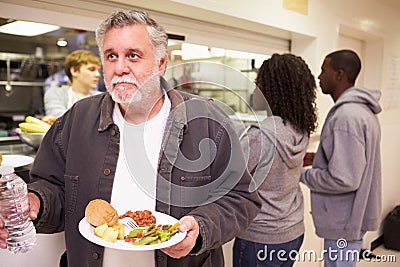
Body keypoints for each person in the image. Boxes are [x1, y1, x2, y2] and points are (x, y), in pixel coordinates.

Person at [0, 9, 260, 267]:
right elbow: (52, 188)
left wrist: (201, 228)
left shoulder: (206, 121)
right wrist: (35, 202)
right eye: (111, 56)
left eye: (133, 55)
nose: (120, 68)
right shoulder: (77, 119)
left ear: (161, 63)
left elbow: (240, 198)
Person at [233, 54, 318, 267]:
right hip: (293, 231)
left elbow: (230, 179)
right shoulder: (300, 129)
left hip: (260, 237)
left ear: (273, 90)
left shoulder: (260, 135)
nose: (254, 90)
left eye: (259, 83)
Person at [301, 49, 382, 267]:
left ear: (339, 74)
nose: (319, 77)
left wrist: (302, 175)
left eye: (323, 70)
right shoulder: (362, 112)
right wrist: (314, 158)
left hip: (343, 223)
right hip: (350, 217)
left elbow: (344, 178)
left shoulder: (346, 117)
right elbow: (352, 160)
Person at [44, 49, 101, 117]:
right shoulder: (56, 94)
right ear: (74, 71)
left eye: (98, 70)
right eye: (91, 69)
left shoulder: (102, 99)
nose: (98, 74)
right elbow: (60, 122)